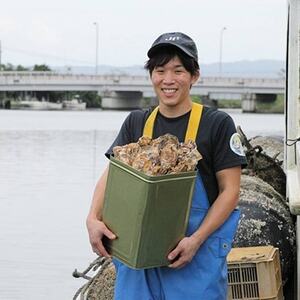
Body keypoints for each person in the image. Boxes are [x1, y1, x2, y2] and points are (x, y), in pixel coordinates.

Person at [86, 32, 247, 299]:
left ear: (194, 76)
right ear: (151, 76)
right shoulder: (137, 122)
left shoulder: (217, 124)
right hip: (137, 260)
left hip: (194, 258)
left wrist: (195, 241)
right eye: (160, 70)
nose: (168, 80)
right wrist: (92, 218)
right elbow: (113, 174)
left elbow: (230, 191)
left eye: (178, 70)